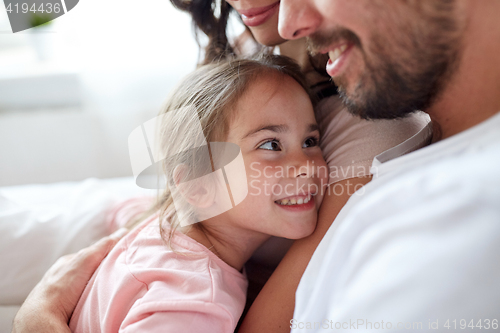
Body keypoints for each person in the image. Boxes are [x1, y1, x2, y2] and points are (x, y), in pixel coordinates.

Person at [68, 54, 331, 332]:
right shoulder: (195, 303)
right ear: (198, 185)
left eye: (310, 141)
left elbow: (128, 211)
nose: (306, 166)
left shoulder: (165, 223)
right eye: (270, 145)